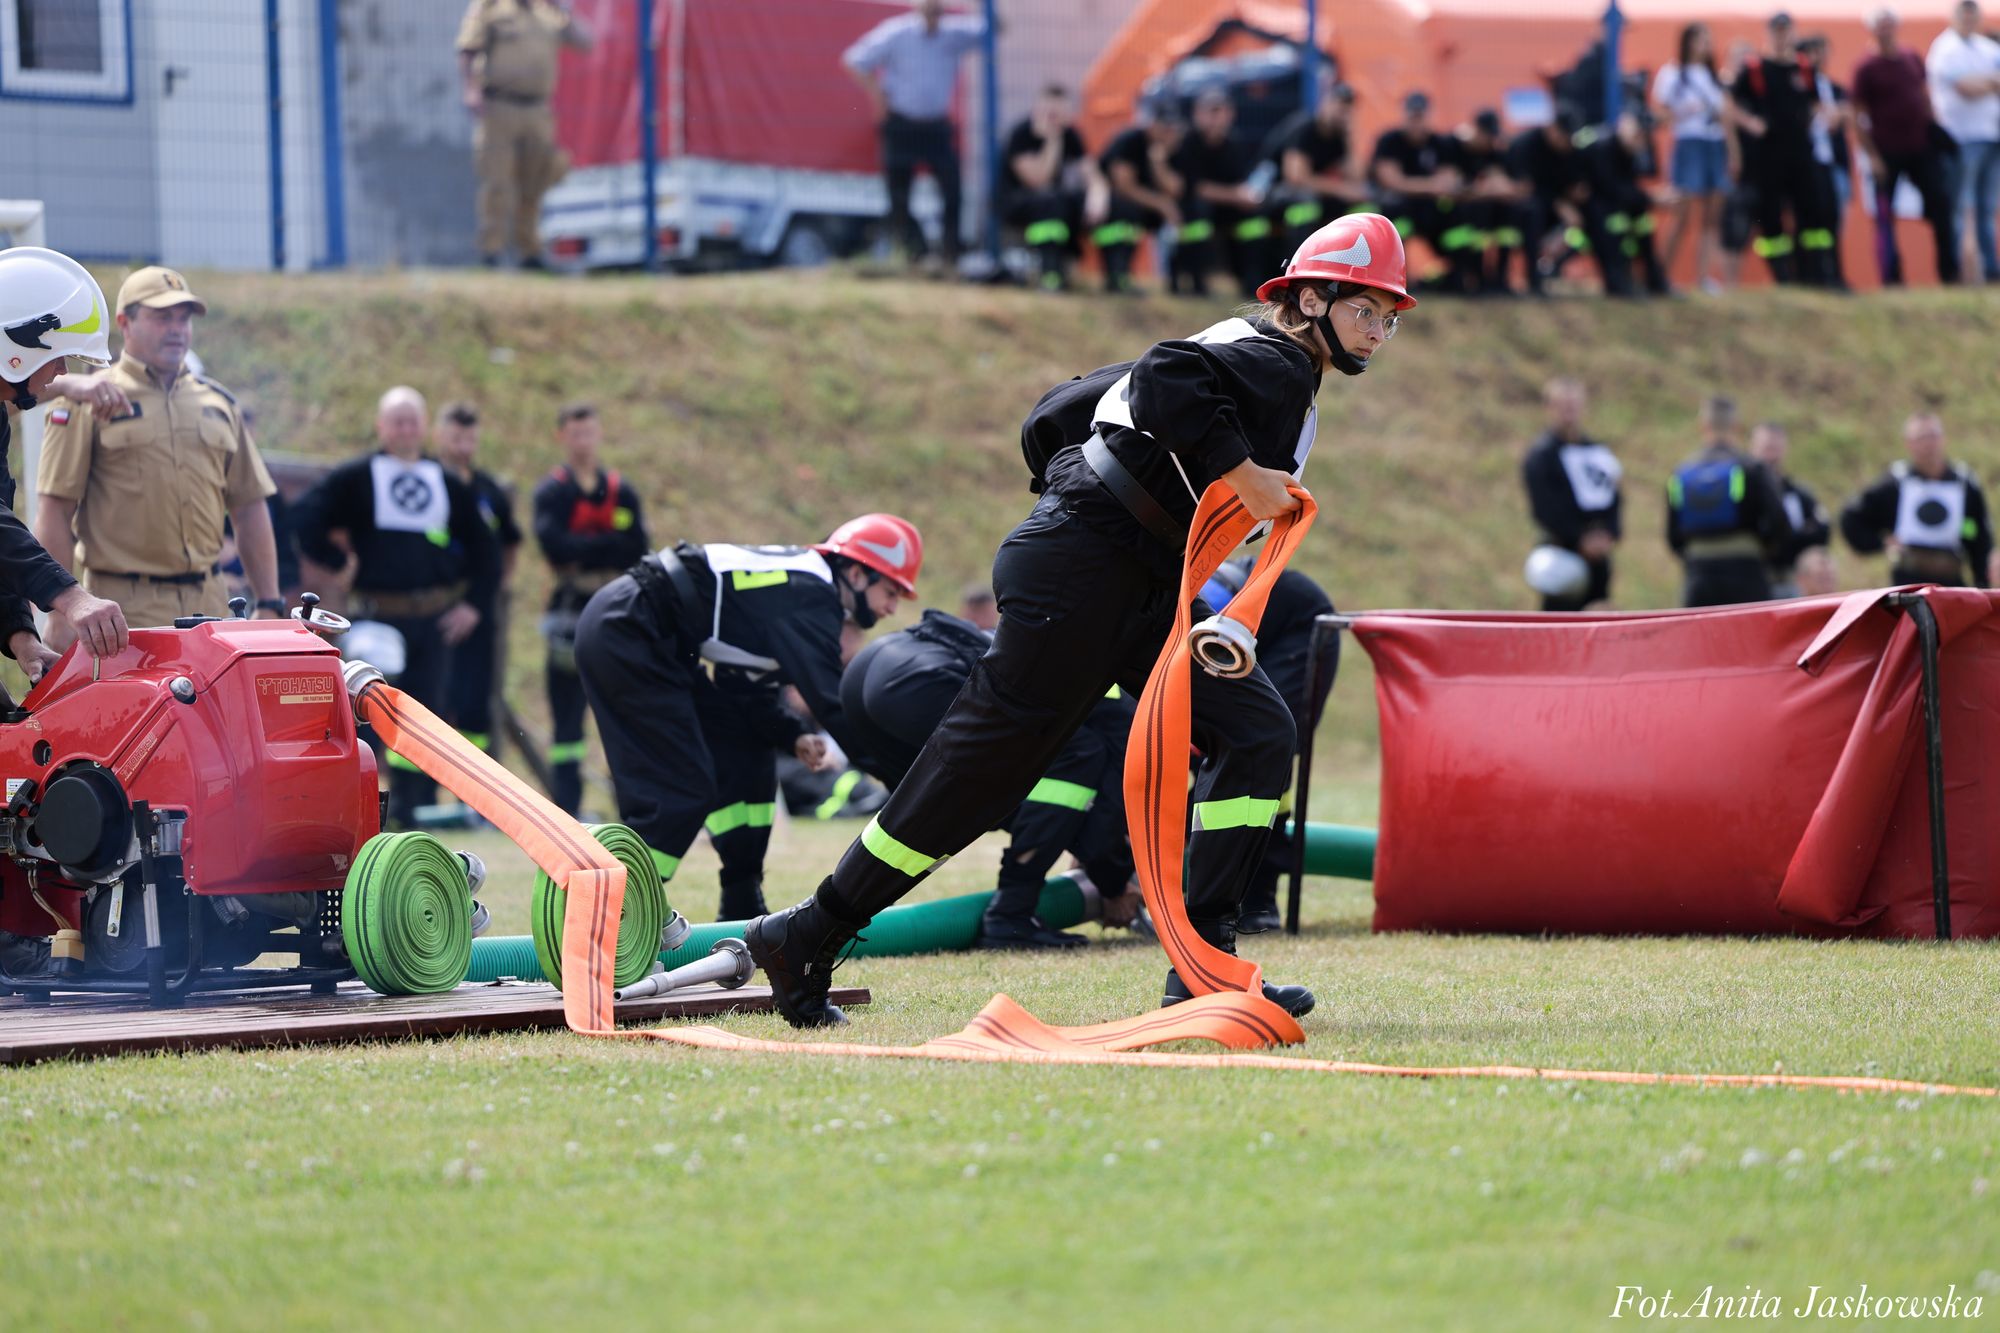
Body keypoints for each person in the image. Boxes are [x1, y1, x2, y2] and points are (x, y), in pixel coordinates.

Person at [744, 212, 1416, 1029]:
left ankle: (1204, 962)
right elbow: (1165, 372)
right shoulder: (1273, 357)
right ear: (1310, 299)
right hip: (1087, 569)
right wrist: (1241, 471)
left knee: (1256, 729)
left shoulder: (1273, 362)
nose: (1377, 330)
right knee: (976, 779)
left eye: (1387, 317)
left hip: (1129, 576)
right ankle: (806, 934)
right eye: (1365, 309)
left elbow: (1087, 411)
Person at [569, 515, 921, 909]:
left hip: (650, 632)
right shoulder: (812, 595)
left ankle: (742, 896)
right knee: (680, 791)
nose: (893, 607)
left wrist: (790, 733)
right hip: (629, 628)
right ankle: (607, 907)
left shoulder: (799, 589)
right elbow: (834, 704)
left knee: (748, 749)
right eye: (891, 591)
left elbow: (744, 692)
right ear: (856, 574)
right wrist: (911, 781)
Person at [841, 608, 1141, 948]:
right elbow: (1108, 807)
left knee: (970, 804)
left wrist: (1085, 847)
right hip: (920, 678)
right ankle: (1011, 913)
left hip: (867, 671)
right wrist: (1113, 882)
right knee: (1077, 756)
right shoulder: (1131, 724)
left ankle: (833, 919)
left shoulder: (1105, 667)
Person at [35, 267, 284, 642]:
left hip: (212, 607)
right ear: (125, 323)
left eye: (184, 318)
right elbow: (55, 511)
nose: (177, 329)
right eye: (162, 317)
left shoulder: (218, 404)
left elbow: (249, 506)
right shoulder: (88, 399)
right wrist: (59, 612)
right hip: (122, 614)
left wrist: (269, 602)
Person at [292, 387, 501, 827]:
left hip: (434, 621)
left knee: (425, 716)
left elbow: (488, 550)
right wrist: (336, 562)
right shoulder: (357, 477)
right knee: (372, 709)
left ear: (424, 427)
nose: (406, 430)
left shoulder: (447, 483)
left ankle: (413, 811)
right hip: (378, 616)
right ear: (381, 426)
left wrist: (473, 606)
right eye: (397, 421)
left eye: (412, 421)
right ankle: (367, 806)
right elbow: (306, 517)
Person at [1196, 561, 1337, 934]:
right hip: (1238, 632)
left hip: (1296, 626)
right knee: (1220, 753)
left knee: (1266, 752)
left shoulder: (1189, 613)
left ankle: (1259, 898)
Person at [531, 402, 648, 816]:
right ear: (562, 436)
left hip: (618, 614)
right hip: (570, 614)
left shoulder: (621, 491)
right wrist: (607, 546)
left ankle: (631, 805)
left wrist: (584, 549)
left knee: (625, 711)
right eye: (575, 433)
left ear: (599, 435)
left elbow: (636, 546)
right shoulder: (552, 493)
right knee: (567, 719)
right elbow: (555, 546)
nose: (583, 441)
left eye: (589, 432)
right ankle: (566, 809)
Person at [843, 0, 986, 271]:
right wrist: (878, 95)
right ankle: (914, 253)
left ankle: (950, 255)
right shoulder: (896, 32)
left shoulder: (954, 34)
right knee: (899, 195)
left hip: (935, 126)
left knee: (952, 189)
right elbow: (855, 60)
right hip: (902, 123)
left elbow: (991, 30)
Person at [456, 0, 591, 269]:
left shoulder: (548, 14)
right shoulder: (492, 8)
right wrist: (470, 89)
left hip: (538, 110)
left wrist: (561, 8)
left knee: (535, 182)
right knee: (497, 182)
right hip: (499, 106)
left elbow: (586, 42)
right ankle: (491, 252)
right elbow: (468, 48)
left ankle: (530, 252)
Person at [435, 401, 523, 756]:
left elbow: (510, 542)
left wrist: (495, 589)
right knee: (434, 698)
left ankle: (474, 784)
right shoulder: (425, 483)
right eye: (456, 439)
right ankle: (420, 785)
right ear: (439, 435)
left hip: (479, 608)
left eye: (470, 440)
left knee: (476, 702)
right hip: (434, 606)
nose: (463, 448)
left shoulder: (489, 490)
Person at [1854, 6, 1962, 285]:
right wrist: (1872, 157)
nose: (1886, 30)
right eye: (1881, 25)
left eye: (1889, 24)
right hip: (1886, 151)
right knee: (1884, 216)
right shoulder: (1866, 68)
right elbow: (1857, 115)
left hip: (1920, 147)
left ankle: (1950, 274)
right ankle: (1892, 278)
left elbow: (1924, 96)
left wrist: (1934, 127)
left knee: (1941, 206)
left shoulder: (1910, 57)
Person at [1731, 12, 1840, 285]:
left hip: (1801, 153)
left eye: (1785, 31)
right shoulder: (1755, 68)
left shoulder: (1803, 68)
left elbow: (1815, 102)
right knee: (1770, 217)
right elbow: (1729, 103)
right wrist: (1750, 123)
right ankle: (1782, 276)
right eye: (1776, 31)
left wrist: (1823, 117)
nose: (1781, 37)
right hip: (1768, 156)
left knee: (1812, 212)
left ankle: (1815, 273)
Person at [1838, 412, 1994, 587]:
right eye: (1921, 438)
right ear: (1909, 444)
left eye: (1933, 436)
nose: (1928, 445)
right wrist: (1881, 543)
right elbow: (1852, 517)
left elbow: (1977, 533)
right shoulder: (1896, 483)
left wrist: (1982, 582)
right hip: (1907, 584)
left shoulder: (1964, 483)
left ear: (1943, 439)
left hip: (1951, 581)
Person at [1666, 395, 1790, 607]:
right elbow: (1779, 522)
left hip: (1698, 577)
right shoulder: (1752, 468)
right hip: (1747, 575)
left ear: (1703, 426)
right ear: (1736, 426)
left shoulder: (1681, 473)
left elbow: (1672, 534)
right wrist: (1763, 550)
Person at [1522, 377, 1622, 611]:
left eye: (1574, 405)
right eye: (1563, 406)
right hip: (1561, 556)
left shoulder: (1597, 452)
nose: (1569, 412)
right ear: (1549, 408)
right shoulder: (1542, 455)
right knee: (1559, 623)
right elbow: (1544, 508)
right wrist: (1579, 538)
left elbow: (1613, 496)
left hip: (1598, 558)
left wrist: (1609, 533)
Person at [1172, 89, 1277, 298]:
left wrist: (1247, 196)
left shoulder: (1234, 143)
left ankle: (1252, 283)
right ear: (1197, 114)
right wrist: (1236, 195)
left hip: (1227, 207)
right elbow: (1196, 188)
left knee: (1254, 221)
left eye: (1223, 112)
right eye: (1212, 112)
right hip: (1192, 208)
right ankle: (1195, 283)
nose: (1218, 119)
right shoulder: (1187, 142)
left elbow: (1241, 181)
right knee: (1198, 217)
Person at [1654, 23, 1734, 293]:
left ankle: (1703, 277)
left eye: (1708, 40)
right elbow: (1660, 114)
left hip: (1715, 144)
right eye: (1701, 40)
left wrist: (1733, 153)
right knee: (1682, 213)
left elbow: (1725, 117)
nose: (1706, 45)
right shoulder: (1673, 73)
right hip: (1689, 143)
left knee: (1712, 217)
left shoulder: (1715, 77)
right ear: (1688, 42)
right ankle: (1660, 275)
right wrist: (1684, 112)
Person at [1928, 0, 2000, 283]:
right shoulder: (1945, 49)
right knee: (1959, 206)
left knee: (1986, 206)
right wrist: (1990, 82)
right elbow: (1965, 88)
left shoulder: (1987, 48)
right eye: (1964, 16)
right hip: (1961, 138)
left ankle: (1991, 269)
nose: (1969, 21)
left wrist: (1984, 82)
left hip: (1991, 134)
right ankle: (1956, 270)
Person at [1370, 92, 1472, 292]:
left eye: (1420, 116)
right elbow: (1391, 181)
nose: (1416, 123)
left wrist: (1417, 184)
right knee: (1395, 214)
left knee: (1458, 216)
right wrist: (1430, 185)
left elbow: (1448, 180)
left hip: (1431, 208)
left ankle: (1458, 278)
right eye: (1412, 116)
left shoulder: (1441, 143)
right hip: (1400, 208)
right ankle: (1397, 279)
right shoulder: (1389, 141)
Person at [999, 84, 1094, 291]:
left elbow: (1090, 172)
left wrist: (1098, 195)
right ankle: (1050, 274)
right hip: (1018, 202)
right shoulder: (1021, 134)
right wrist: (1053, 140)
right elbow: (1038, 181)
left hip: (1053, 201)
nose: (1055, 120)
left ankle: (1114, 276)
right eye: (1050, 114)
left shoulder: (1071, 134)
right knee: (1050, 202)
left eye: (1059, 114)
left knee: (1101, 203)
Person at [1271, 79, 1369, 253]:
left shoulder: (1339, 136)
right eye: (1340, 105)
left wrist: (1349, 138)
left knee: (1364, 204)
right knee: (1305, 203)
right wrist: (1340, 189)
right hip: (1274, 191)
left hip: (1316, 193)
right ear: (1326, 103)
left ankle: (1352, 261)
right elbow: (1296, 178)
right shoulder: (1304, 128)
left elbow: (1356, 179)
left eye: (1348, 108)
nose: (1344, 112)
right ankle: (1298, 260)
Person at [1096, 107, 1187, 293]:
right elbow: (1123, 186)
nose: (1170, 134)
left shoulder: (1173, 148)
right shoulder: (1130, 140)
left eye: (1173, 129)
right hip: (1109, 203)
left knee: (1192, 213)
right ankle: (1117, 277)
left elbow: (1176, 189)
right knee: (1126, 212)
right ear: (1152, 125)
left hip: (1147, 205)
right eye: (1165, 128)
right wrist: (1161, 204)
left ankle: (1180, 281)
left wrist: (1158, 163)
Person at [1581, 111, 1672, 295]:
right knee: (1613, 225)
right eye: (1638, 134)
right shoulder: (1603, 146)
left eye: (1644, 136)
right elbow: (1610, 189)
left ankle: (1655, 281)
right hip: (1592, 206)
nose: (1641, 140)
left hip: (1612, 203)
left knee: (1642, 221)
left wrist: (1647, 198)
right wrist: (1652, 197)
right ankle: (1618, 282)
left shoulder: (1630, 151)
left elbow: (1627, 187)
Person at [1506, 105, 1590, 296]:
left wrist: (1578, 191)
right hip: (1524, 209)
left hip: (1560, 211)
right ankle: (1533, 278)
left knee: (1594, 213)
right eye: (1564, 135)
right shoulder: (1525, 145)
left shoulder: (1571, 150)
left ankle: (1552, 267)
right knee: (1533, 212)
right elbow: (1526, 189)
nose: (1567, 141)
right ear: (1552, 128)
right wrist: (1559, 205)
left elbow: (1575, 181)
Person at [1749, 421, 1835, 597]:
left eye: (1776, 448)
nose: (1771, 456)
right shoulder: (1744, 495)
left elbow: (1822, 531)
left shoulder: (1797, 494)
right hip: (1754, 582)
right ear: (1753, 449)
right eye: (1767, 448)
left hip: (1791, 582)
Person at [1799, 34, 1856, 290]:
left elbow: (1846, 115)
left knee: (1834, 220)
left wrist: (1838, 115)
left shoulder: (1833, 88)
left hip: (1832, 162)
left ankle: (1833, 274)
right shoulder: (1799, 87)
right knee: (1812, 222)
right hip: (1809, 164)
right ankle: (1811, 274)